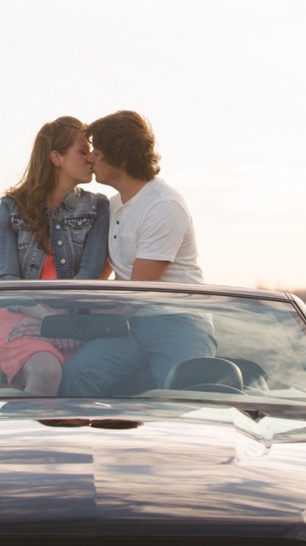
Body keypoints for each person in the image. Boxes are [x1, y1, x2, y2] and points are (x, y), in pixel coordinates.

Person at [56, 110, 216, 396]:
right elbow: (102, 271)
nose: (91, 158)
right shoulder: (111, 205)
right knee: (77, 373)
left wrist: (84, 322)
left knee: (179, 396)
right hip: (131, 324)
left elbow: (139, 290)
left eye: (98, 152)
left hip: (177, 322)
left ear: (121, 156)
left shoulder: (164, 206)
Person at [0, 116, 110, 394]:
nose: (91, 157)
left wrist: (62, 321)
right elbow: (7, 279)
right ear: (56, 158)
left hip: (74, 318)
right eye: (82, 150)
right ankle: (20, 437)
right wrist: (45, 319)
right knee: (45, 372)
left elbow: (90, 273)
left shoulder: (98, 207)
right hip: (20, 318)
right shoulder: (11, 207)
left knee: (83, 386)